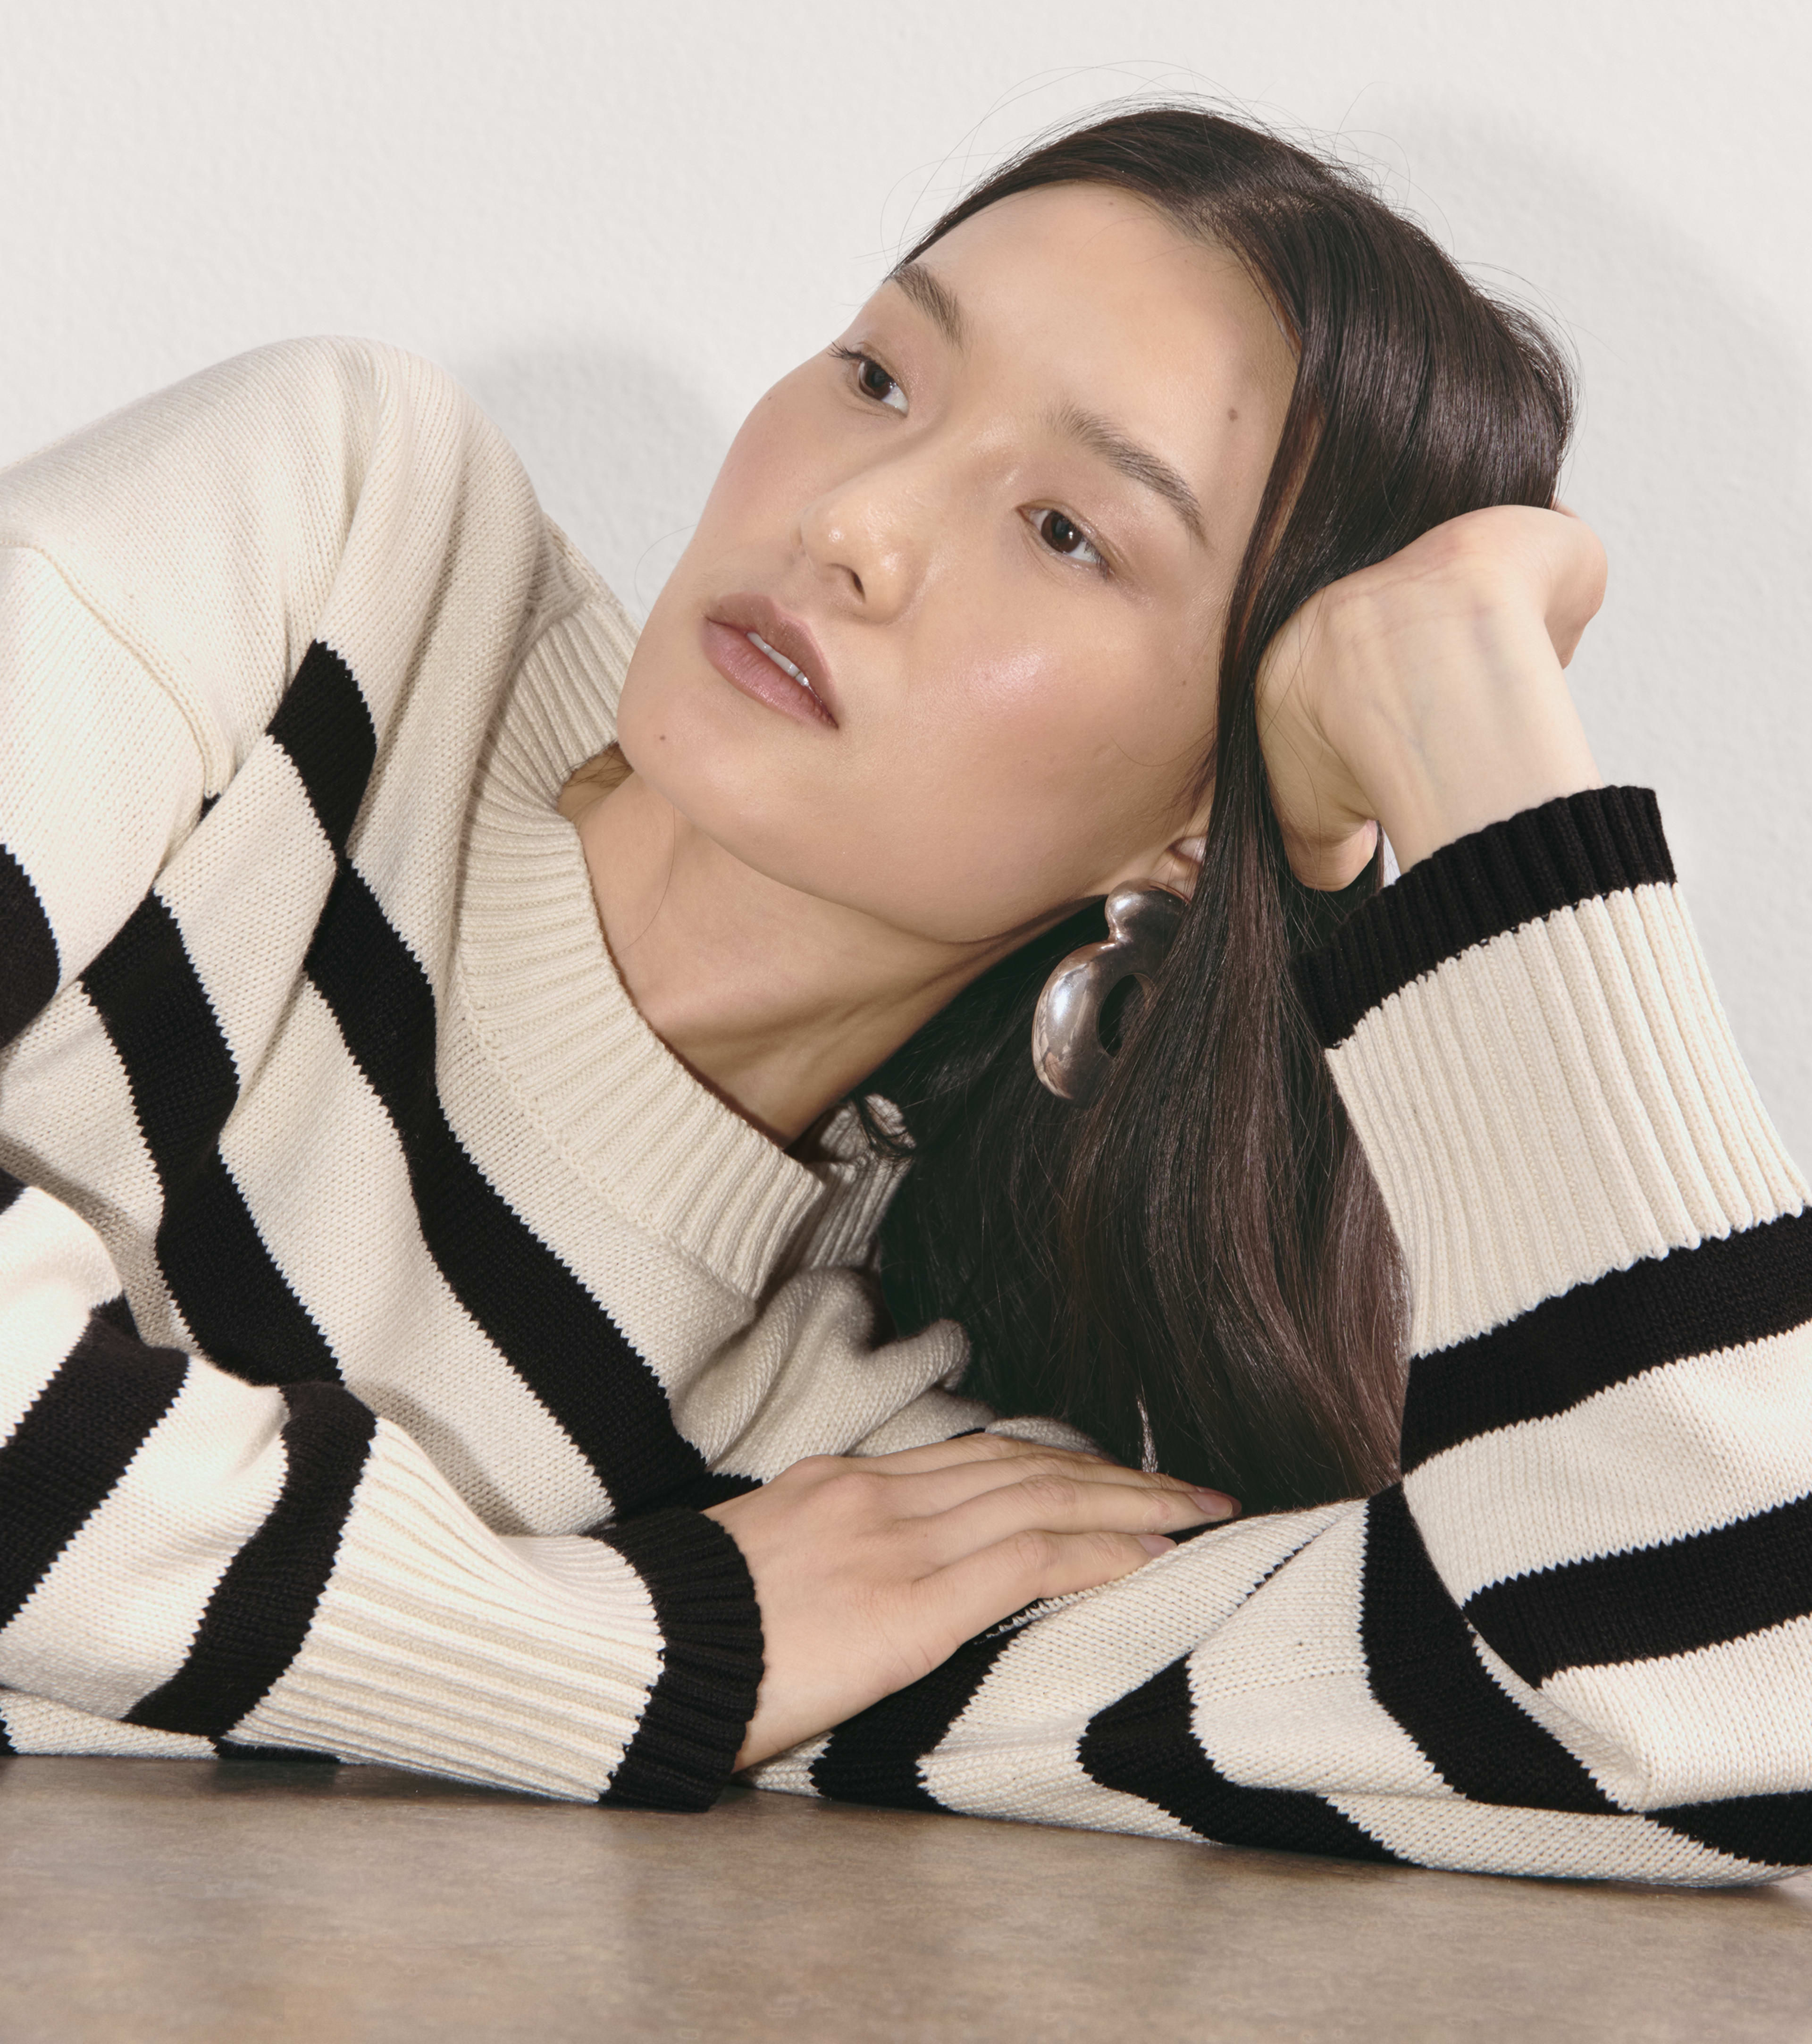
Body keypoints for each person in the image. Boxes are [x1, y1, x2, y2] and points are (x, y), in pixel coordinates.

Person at [0, 107, 1804, 1884]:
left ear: (1196, 824)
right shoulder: (349, 539)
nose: (854, 521)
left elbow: (1738, 1705)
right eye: (878, 376)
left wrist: (1481, 752)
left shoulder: (855, 1477)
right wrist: (626, 1654)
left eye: (1067, 530)